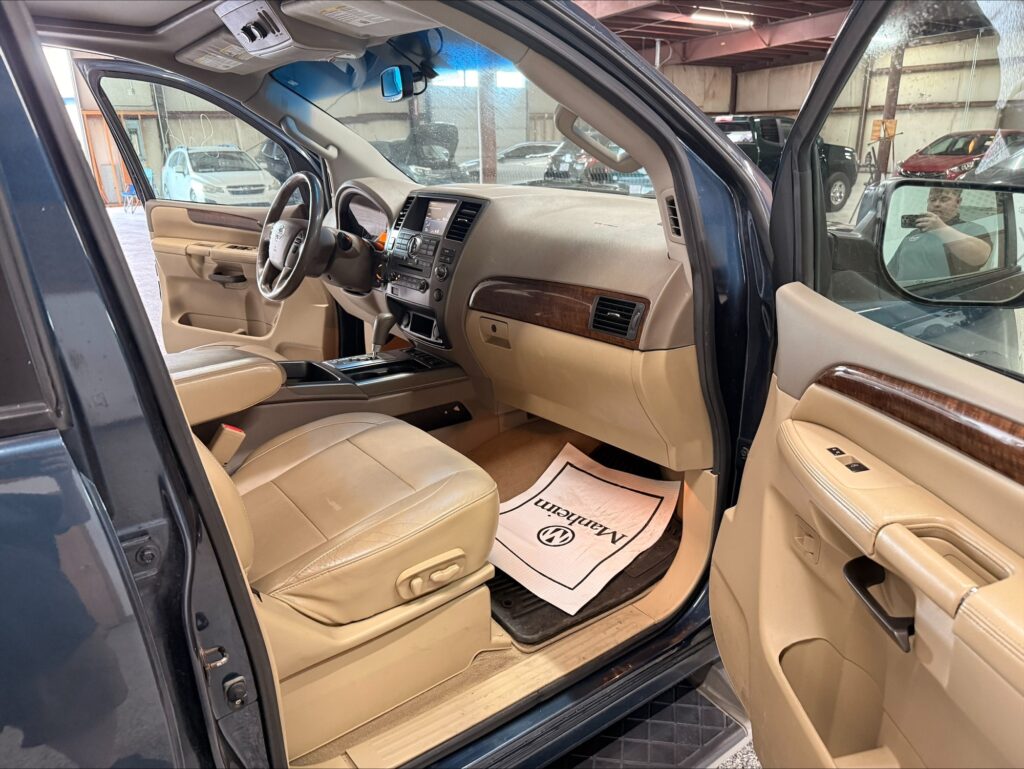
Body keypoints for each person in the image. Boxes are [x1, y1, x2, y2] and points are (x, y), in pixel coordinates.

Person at [889, 187, 993, 281]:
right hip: (903, 293)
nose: (936, 204)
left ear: (958, 202)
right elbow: (891, 272)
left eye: (944, 199)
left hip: (948, 294)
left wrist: (941, 229)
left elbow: (981, 256)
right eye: (932, 199)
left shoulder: (971, 229)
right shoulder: (913, 234)